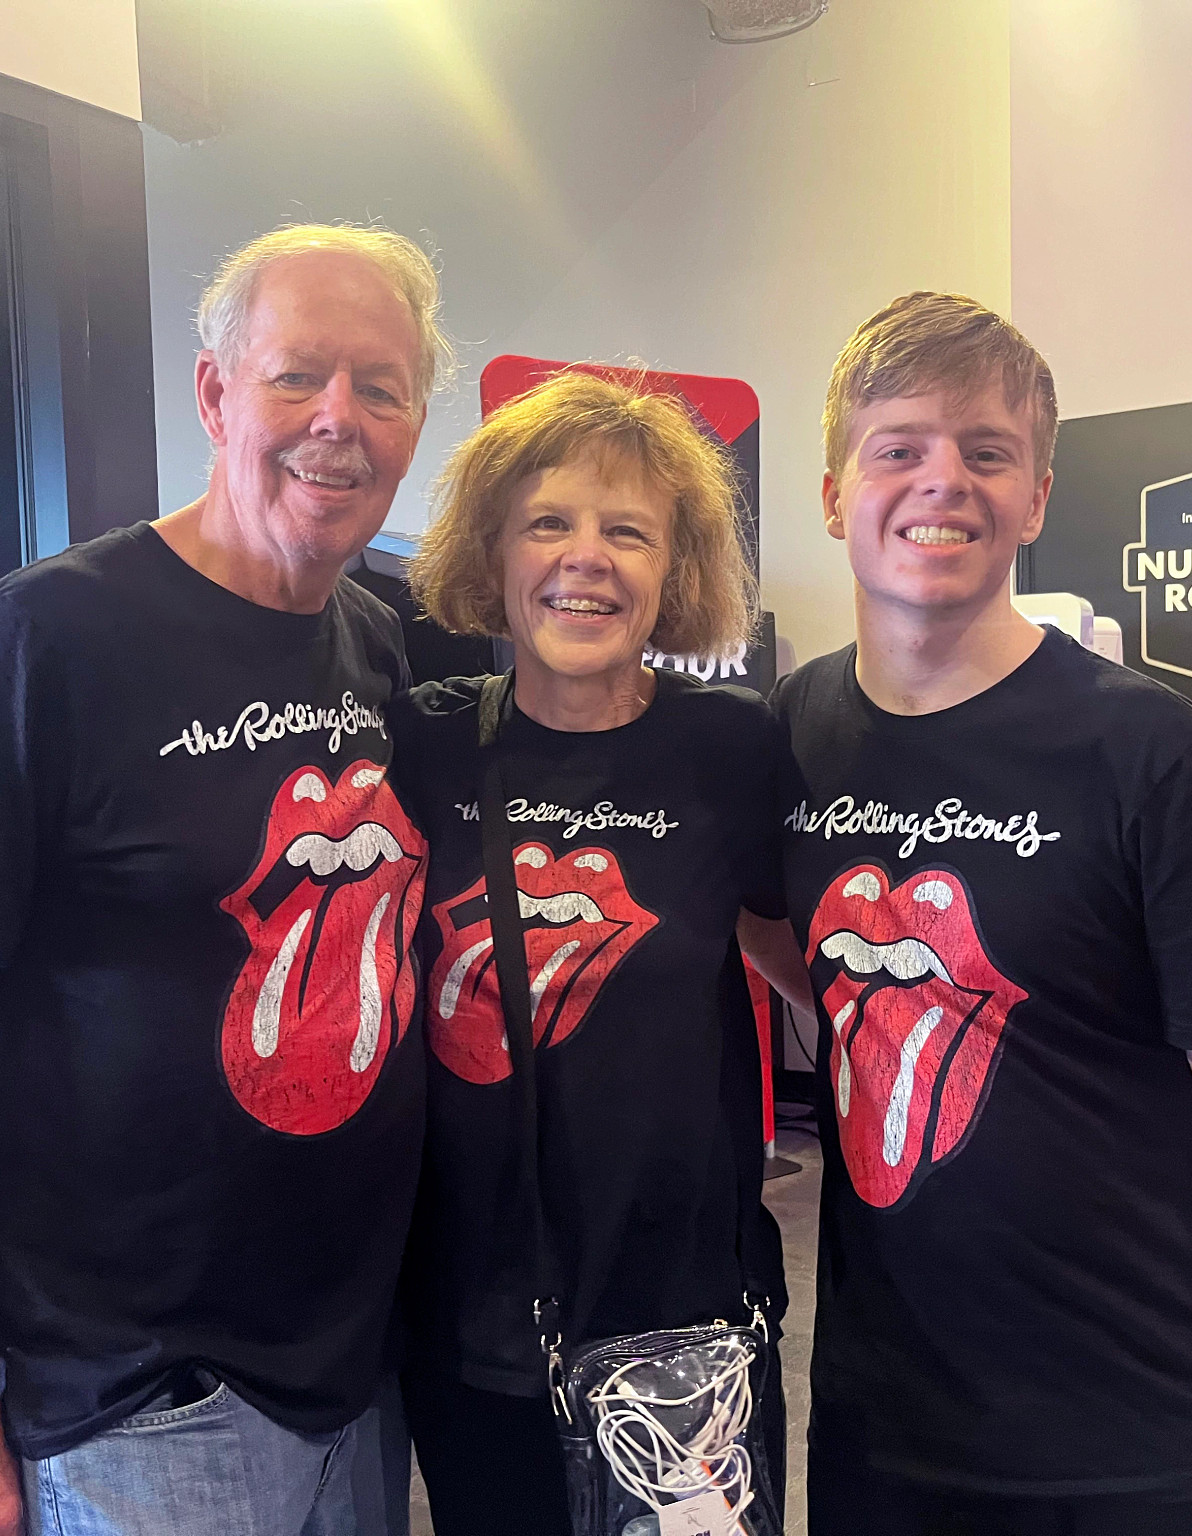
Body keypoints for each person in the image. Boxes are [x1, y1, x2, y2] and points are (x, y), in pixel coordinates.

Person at [0, 223, 451, 1536]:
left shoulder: (385, 644)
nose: (338, 419)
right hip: (143, 1399)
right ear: (217, 394)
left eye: (381, 386)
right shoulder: (44, 639)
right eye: (298, 377)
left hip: (355, 1372)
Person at [739, 293, 1192, 1536]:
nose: (940, 481)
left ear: (1037, 497)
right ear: (837, 494)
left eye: (985, 450)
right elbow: (770, 933)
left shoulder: (1147, 751)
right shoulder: (787, 737)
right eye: (898, 447)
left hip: (1133, 1429)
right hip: (884, 1425)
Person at [394, 370, 787, 1535]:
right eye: (547, 523)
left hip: (683, 1317)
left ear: (675, 571)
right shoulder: (426, 743)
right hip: (469, 1310)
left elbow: (798, 955)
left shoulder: (730, 747)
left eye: (628, 531)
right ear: (492, 554)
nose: (586, 557)